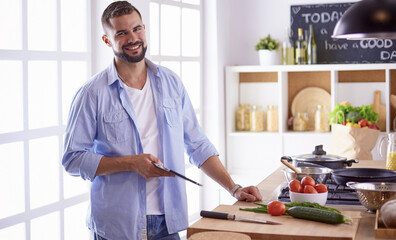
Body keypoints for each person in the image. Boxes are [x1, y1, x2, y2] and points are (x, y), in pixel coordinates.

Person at [62, 1, 262, 239]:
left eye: (137, 29)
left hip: (168, 223)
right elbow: (73, 159)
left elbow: (196, 143)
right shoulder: (92, 93)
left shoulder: (171, 82)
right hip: (117, 227)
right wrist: (130, 163)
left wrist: (234, 188)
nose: (133, 38)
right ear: (107, 40)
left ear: (144, 29)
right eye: (122, 33)